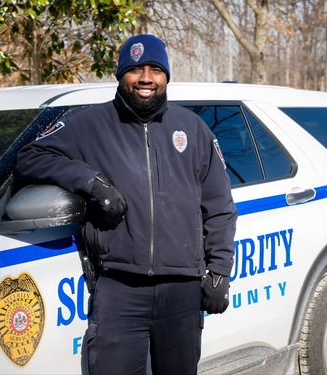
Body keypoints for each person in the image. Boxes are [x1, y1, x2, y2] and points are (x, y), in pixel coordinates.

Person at [16, 34, 237, 375]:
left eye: (155, 70)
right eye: (135, 69)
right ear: (121, 76)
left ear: (165, 76)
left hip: (181, 291)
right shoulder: (90, 125)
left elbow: (219, 207)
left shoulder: (193, 129)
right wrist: (91, 182)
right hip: (119, 287)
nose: (146, 78)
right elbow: (31, 156)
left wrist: (220, 271)